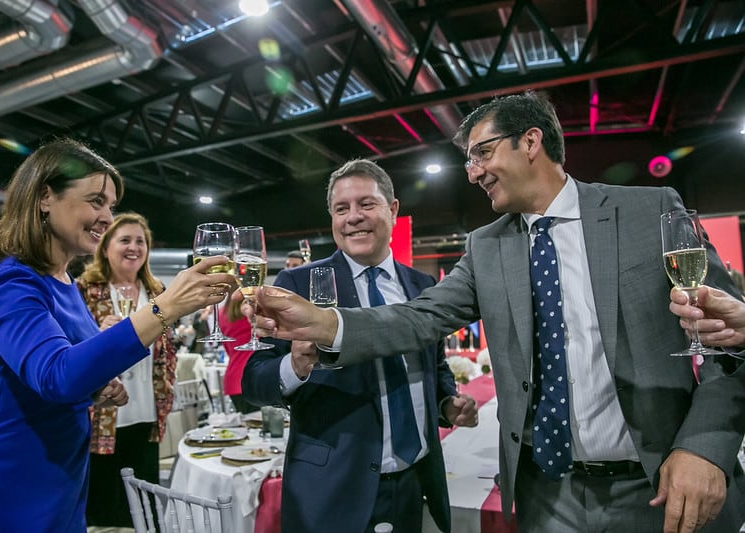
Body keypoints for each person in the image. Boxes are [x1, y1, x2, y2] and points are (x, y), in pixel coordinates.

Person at [243, 92, 745, 532]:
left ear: (530, 142)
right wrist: (328, 325)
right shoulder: (486, 246)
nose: (472, 171)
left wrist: (705, 446)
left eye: (482, 152)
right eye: (468, 159)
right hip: (548, 496)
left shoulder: (649, 210)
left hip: (657, 486)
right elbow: (418, 317)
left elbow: (728, 341)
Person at [0, 138, 236, 532]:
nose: (107, 216)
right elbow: (57, 375)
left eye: (111, 205)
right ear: (45, 196)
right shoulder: (9, 283)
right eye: (96, 201)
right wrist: (165, 308)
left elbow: (62, 374)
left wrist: (95, 387)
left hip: (62, 478)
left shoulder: (64, 283)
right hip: (5, 482)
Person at [241, 159, 478, 533]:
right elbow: (253, 380)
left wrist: (447, 402)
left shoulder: (422, 286)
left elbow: (435, 368)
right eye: (341, 209)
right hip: (333, 491)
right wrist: (297, 366)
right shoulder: (297, 283)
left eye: (366, 204)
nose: (353, 217)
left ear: (393, 210)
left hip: (414, 484)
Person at [76, 212, 177, 527]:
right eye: (125, 240)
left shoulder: (158, 291)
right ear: (105, 248)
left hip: (147, 409)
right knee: (105, 507)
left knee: (145, 507)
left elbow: (167, 351)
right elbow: (69, 348)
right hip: (102, 417)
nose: (134, 247)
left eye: (140, 241)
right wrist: (96, 332)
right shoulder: (85, 289)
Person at [217, 297, 260, 413]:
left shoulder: (221, 313)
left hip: (233, 379)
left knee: (249, 427)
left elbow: (228, 349)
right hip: (256, 377)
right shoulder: (255, 311)